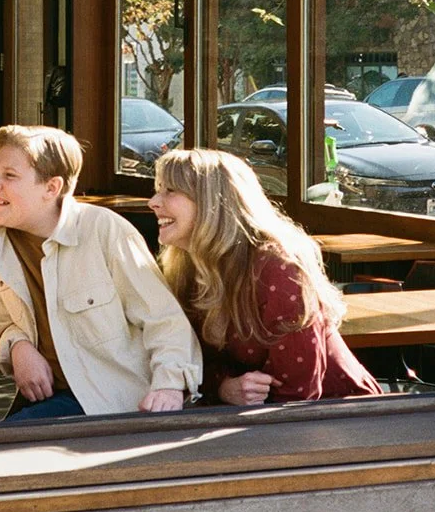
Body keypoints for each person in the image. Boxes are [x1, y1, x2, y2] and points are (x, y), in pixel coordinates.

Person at [0, 124, 201, 421]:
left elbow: (164, 320)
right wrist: (17, 345)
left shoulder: (105, 230)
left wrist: (170, 387)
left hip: (111, 405)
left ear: (51, 188)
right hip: (51, 401)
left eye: (10, 176)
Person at [149, 148, 381, 405]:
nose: (154, 202)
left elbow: (299, 391)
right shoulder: (186, 267)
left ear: (211, 202)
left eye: (170, 190)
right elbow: (191, 359)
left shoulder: (276, 266)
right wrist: (224, 388)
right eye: (158, 189)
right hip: (249, 420)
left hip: (344, 416)